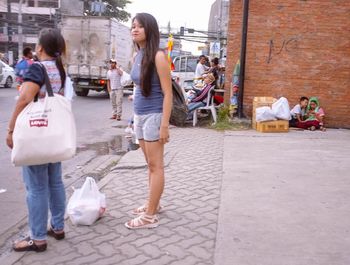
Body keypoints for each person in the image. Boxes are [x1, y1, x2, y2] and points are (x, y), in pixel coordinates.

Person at [6, 28, 68, 252]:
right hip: (53, 134)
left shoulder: (37, 68)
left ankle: (38, 238)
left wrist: (11, 128)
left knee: (37, 188)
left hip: (36, 134)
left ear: (40, 47)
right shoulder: (60, 68)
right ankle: (58, 227)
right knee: (55, 182)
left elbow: (24, 99)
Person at [125, 13, 172, 229]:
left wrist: (164, 125)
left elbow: (168, 93)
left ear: (149, 30)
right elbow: (140, 85)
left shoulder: (159, 56)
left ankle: (150, 216)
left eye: (140, 27)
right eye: (133, 26)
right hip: (140, 116)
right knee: (150, 166)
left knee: (156, 166)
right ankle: (153, 204)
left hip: (154, 116)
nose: (134, 30)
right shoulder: (138, 56)